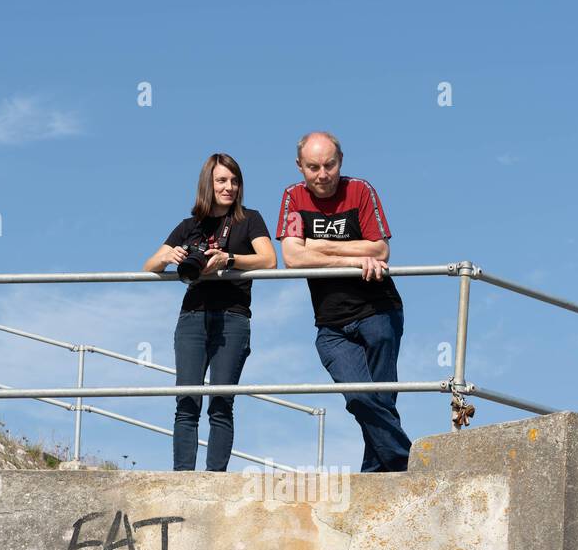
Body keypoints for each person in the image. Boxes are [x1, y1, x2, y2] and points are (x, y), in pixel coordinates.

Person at [276, 131, 411, 472]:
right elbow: (292, 257)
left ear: (341, 161)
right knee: (360, 398)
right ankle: (407, 463)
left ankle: (374, 477)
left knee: (380, 401)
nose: (322, 175)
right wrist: (353, 257)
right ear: (299, 167)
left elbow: (380, 249)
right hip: (331, 323)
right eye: (313, 167)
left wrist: (318, 247)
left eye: (329, 165)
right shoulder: (293, 197)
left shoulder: (360, 190)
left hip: (379, 311)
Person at [143, 154, 276, 471]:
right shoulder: (189, 226)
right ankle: (182, 477)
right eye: (221, 180)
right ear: (208, 184)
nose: (229, 187)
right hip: (192, 317)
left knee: (221, 403)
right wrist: (169, 256)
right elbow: (148, 265)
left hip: (233, 317)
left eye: (234, 180)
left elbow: (269, 260)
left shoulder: (250, 220)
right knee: (186, 402)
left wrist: (229, 259)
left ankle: (215, 479)